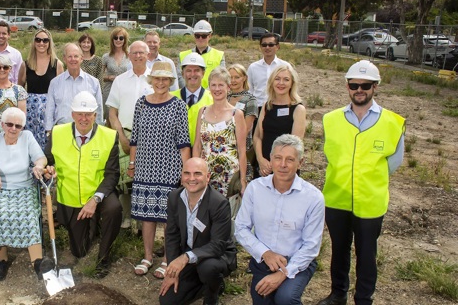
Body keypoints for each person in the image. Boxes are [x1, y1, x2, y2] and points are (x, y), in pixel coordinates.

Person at [318, 60, 406, 305]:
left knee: (366, 254)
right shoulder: (331, 119)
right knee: (339, 250)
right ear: (347, 86)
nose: (359, 90)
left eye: (365, 85)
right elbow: (330, 154)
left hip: (370, 201)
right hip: (337, 198)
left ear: (375, 87)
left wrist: (368, 178)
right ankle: (338, 294)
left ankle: (364, 298)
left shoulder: (392, 122)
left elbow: (394, 161)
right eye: (354, 85)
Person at [235, 134, 324, 304]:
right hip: (265, 260)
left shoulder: (313, 198)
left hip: (297, 261)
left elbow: (311, 246)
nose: (283, 165)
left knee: (286, 298)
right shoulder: (255, 189)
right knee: (261, 297)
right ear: (270, 159)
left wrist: (284, 272)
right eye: (278, 158)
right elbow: (240, 228)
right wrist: (265, 253)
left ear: (300, 163)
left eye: (290, 159)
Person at [44, 91, 121, 278]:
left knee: (114, 208)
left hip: (99, 193)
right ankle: (93, 225)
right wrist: (48, 169)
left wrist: (95, 200)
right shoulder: (57, 133)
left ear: (95, 115)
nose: (84, 119)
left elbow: (112, 174)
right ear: (72, 114)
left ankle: (103, 259)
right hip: (71, 197)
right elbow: (47, 160)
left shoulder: (109, 136)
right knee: (80, 251)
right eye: (80, 114)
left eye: (88, 114)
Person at [128, 61, 191, 279]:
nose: (161, 82)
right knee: (147, 216)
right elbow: (134, 138)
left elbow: (184, 142)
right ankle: (147, 256)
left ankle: (166, 258)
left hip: (169, 169)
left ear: (171, 81)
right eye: (157, 78)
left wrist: (185, 172)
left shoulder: (178, 105)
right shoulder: (141, 103)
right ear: (151, 80)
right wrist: (132, 164)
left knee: (167, 218)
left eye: (165, 79)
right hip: (144, 168)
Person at [0, 107, 48, 281]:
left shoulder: (27, 137)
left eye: (18, 126)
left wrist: (38, 166)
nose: (13, 128)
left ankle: (37, 262)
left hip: (23, 187)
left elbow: (41, 157)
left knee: (29, 215)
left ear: (22, 127)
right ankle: (1, 259)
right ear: (2, 124)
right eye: (9, 124)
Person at [159, 158, 237, 305]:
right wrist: (172, 270)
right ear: (181, 176)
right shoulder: (174, 197)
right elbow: (172, 235)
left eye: (197, 174)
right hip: (190, 254)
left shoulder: (219, 203)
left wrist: (185, 258)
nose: (191, 178)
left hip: (216, 256)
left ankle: (212, 296)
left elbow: (218, 245)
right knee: (167, 301)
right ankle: (205, 284)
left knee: (208, 268)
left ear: (208, 177)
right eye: (187, 173)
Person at [105, 41, 152, 229]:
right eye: (134, 53)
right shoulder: (120, 80)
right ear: (129, 56)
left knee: (145, 178)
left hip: (149, 137)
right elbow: (112, 113)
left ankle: (142, 220)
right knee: (125, 179)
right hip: (124, 133)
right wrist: (122, 137)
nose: (138, 56)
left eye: (142, 52)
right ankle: (126, 217)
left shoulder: (155, 79)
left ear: (148, 55)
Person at [192, 67, 248, 199]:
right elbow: (197, 146)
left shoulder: (237, 114)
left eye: (221, 85)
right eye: (213, 85)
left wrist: (243, 179)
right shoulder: (202, 111)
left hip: (229, 175)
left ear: (228, 87)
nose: (217, 89)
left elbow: (242, 150)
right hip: (206, 175)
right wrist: (195, 172)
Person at [253, 64, 306, 178]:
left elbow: (295, 145)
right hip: (264, 167)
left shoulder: (298, 109)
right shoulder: (266, 106)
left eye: (286, 79)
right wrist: (260, 160)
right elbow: (257, 136)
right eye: (277, 79)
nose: (281, 83)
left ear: (292, 83)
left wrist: (276, 164)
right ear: (272, 82)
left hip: (284, 168)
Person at [17, 29, 63, 150]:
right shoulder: (26, 64)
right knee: (30, 146)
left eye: (45, 40)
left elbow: (61, 92)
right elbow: (19, 90)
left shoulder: (57, 64)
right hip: (30, 113)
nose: (41, 43)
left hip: (49, 112)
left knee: (49, 146)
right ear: (34, 42)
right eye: (38, 40)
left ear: (49, 42)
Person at [45, 43, 104, 132]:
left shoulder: (94, 83)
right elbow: (50, 110)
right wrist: (49, 131)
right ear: (64, 59)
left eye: (76, 56)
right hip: (61, 131)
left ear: (81, 58)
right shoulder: (55, 83)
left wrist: (98, 131)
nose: (73, 59)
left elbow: (98, 110)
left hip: (86, 132)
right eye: (69, 56)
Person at [171, 52, 213, 147]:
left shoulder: (212, 98)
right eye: (188, 70)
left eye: (196, 70)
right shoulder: (171, 98)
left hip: (202, 150)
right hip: (176, 151)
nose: (192, 74)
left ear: (203, 73)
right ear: (182, 73)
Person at [227, 64, 258, 182]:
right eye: (230, 77)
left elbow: (247, 127)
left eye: (237, 77)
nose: (233, 80)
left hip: (242, 149)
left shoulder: (250, 100)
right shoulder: (224, 97)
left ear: (244, 78)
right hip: (223, 147)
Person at [179, 20, 225, 90]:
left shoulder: (219, 55)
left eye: (204, 36)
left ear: (210, 36)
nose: (200, 38)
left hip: (211, 94)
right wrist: (191, 91)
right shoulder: (183, 55)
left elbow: (221, 77)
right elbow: (180, 77)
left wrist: (206, 93)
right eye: (197, 36)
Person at [246, 33, 287, 111]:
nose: (267, 47)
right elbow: (249, 90)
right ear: (260, 47)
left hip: (279, 107)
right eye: (264, 45)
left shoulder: (285, 66)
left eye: (271, 45)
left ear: (277, 47)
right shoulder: (253, 67)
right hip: (257, 107)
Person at [101, 27, 131, 105]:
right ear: (112, 39)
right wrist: (108, 78)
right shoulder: (106, 57)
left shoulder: (130, 56)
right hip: (109, 91)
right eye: (115, 38)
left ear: (125, 40)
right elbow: (100, 76)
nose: (118, 40)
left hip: (125, 91)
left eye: (121, 38)